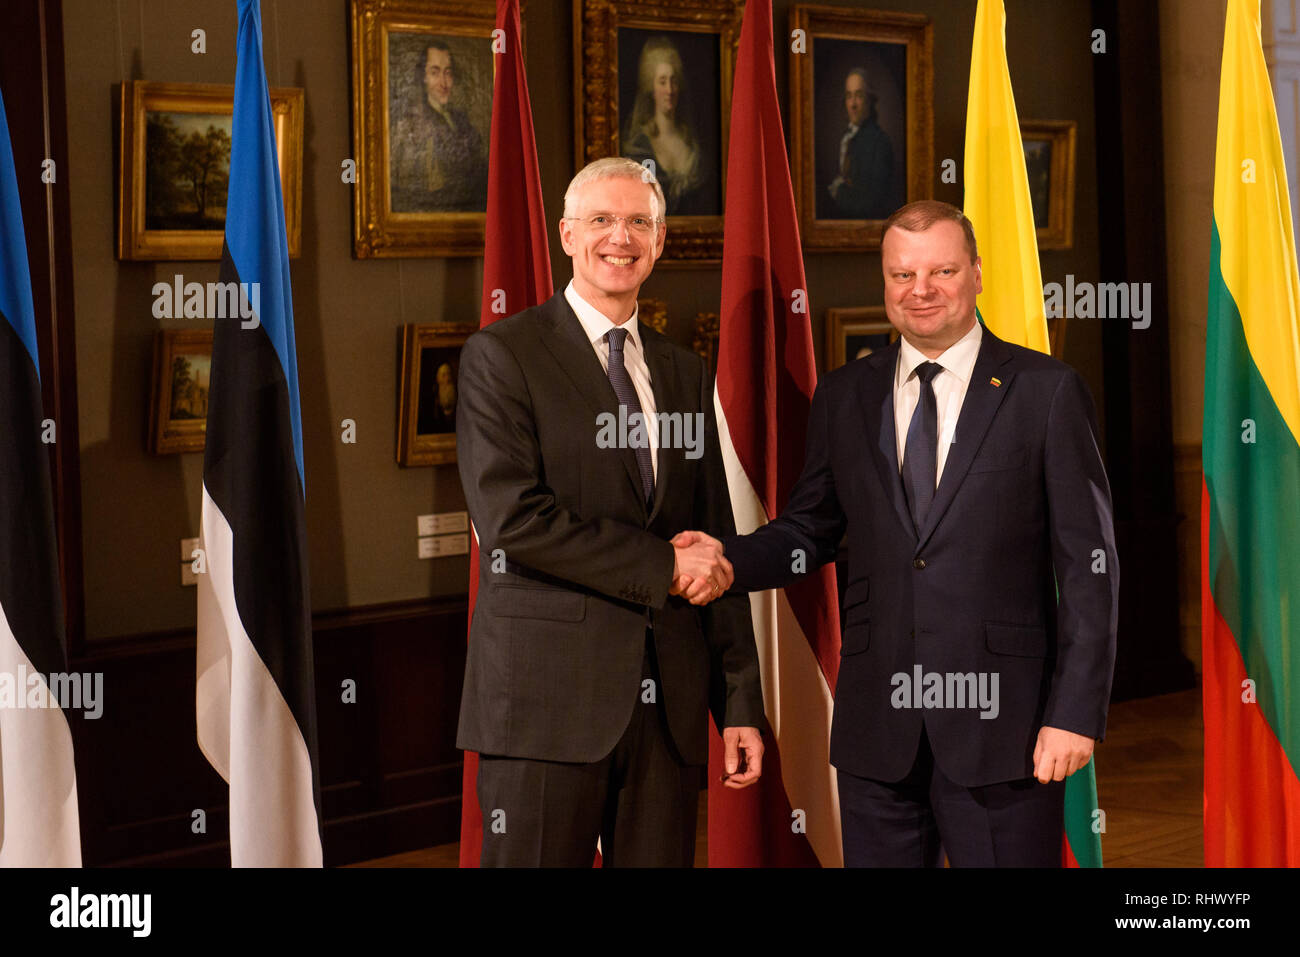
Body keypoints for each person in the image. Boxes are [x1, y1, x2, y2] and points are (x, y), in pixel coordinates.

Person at [676, 200, 1118, 867]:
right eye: (903, 274)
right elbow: (810, 529)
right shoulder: (846, 394)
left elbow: (1090, 567)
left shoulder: (1045, 392)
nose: (921, 289)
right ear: (884, 281)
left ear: (975, 273)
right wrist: (730, 560)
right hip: (878, 735)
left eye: (941, 270)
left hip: (1007, 732)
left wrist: (1076, 712)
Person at [455, 157, 764, 867]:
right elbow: (513, 520)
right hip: (544, 705)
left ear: (659, 241)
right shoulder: (503, 356)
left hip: (668, 711)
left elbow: (712, 542)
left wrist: (739, 697)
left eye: (637, 222)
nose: (618, 237)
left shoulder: (684, 370)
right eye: (600, 220)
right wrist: (662, 565)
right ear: (567, 234)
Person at [621, 37, 715, 216]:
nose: (669, 90)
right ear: (652, 88)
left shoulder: (691, 144)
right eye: (662, 81)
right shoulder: (639, 146)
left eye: (674, 81)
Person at [390, 41, 486, 212]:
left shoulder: (462, 121)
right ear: (423, 77)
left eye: (447, 73)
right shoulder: (411, 125)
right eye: (435, 73)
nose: (443, 83)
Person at [824, 68, 896, 220]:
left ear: (869, 100)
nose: (853, 104)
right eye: (849, 96)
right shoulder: (845, 136)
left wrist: (839, 192)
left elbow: (872, 201)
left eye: (859, 95)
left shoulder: (880, 142)